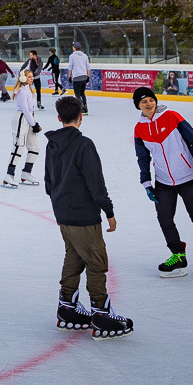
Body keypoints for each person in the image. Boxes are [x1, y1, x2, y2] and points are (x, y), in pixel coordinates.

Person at [43, 95, 133, 339]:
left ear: (59, 118)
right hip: (83, 215)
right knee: (96, 262)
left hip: (62, 213)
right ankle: (101, 313)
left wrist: (60, 202)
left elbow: (48, 183)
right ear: (80, 117)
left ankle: (67, 308)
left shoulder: (52, 145)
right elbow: (96, 183)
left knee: (74, 257)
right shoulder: (84, 145)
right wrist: (109, 211)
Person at [132, 87, 193, 279]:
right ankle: (178, 256)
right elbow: (143, 158)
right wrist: (146, 183)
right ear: (138, 106)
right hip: (163, 181)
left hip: (188, 176)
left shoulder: (172, 116)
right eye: (144, 102)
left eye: (151, 100)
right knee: (165, 219)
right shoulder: (139, 129)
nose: (149, 104)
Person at [2, 69, 42, 189]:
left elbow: (30, 110)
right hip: (21, 119)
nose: (31, 78)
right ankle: (9, 174)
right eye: (29, 77)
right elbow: (25, 109)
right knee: (19, 146)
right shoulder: (21, 91)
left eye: (32, 76)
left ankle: (26, 172)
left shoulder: (29, 89)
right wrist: (34, 124)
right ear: (23, 78)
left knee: (34, 147)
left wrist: (34, 123)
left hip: (30, 119)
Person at [68, 42, 91, 115]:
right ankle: (85, 107)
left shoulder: (72, 56)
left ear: (74, 47)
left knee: (77, 94)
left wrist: (69, 76)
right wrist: (88, 76)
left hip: (77, 77)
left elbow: (70, 67)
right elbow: (88, 67)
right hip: (84, 76)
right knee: (82, 93)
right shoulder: (85, 56)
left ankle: (80, 108)